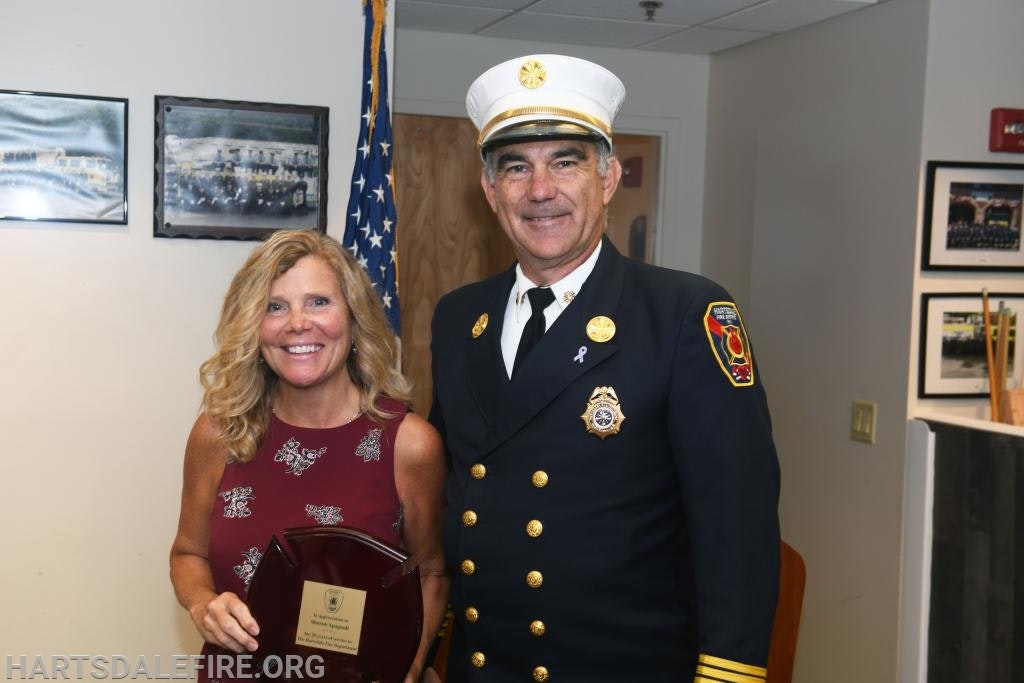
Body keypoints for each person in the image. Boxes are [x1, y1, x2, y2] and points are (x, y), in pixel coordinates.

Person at [428, 54, 781, 682]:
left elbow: (738, 529)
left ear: (609, 176)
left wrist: (729, 674)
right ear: (489, 190)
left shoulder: (684, 315)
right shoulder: (460, 319)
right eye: (516, 168)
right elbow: (453, 493)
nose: (540, 191)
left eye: (566, 161)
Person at [170, 229, 448, 683]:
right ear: (253, 327)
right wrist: (202, 604)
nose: (298, 323)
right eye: (275, 306)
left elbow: (432, 573)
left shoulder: (409, 445)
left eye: (319, 302)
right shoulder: (220, 433)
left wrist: (409, 670)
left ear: (354, 318)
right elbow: (187, 553)